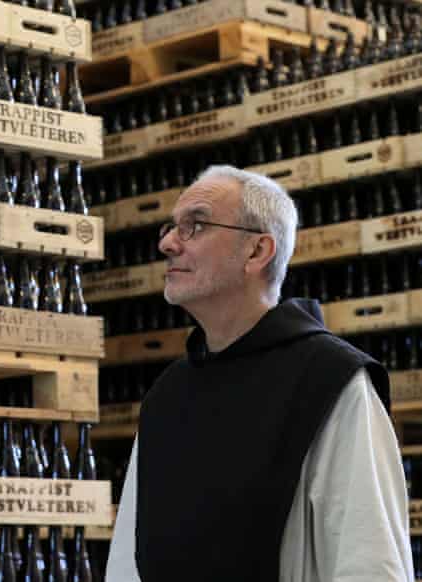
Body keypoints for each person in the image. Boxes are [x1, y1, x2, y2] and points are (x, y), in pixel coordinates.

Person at [105, 166, 413, 581]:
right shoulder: (168, 395)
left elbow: (371, 562)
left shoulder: (330, 382)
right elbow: (128, 563)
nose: (167, 243)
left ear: (257, 251)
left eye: (195, 226)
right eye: (170, 228)